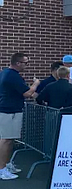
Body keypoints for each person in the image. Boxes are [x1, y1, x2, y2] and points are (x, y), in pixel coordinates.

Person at [0, 53, 39, 181]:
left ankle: (6, 164)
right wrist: (36, 84)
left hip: (11, 110)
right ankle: (2, 169)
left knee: (10, 139)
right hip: (8, 111)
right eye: (25, 63)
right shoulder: (12, 76)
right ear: (18, 63)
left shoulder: (6, 73)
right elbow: (27, 93)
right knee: (6, 139)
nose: (26, 65)